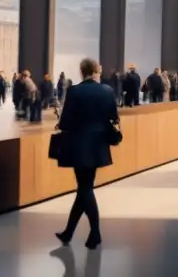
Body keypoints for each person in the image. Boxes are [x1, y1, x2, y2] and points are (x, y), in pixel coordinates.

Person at [54, 58, 119, 250]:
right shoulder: (107, 91)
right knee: (85, 187)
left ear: (82, 71)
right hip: (98, 145)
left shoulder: (74, 92)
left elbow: (65, 123)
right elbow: (114, 118)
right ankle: (68, 232)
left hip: (79, 145)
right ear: (96, 70)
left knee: (84, 188)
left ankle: (96, 233)